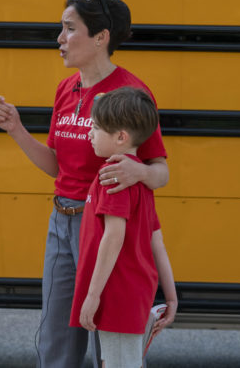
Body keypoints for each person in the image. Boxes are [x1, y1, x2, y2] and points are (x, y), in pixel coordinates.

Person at [0, 0, 169, 368]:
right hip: (62, 221)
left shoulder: (131, 94)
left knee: (107, 338)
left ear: (101, 37)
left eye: (70, 29)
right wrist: (18, 131)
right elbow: (59, 167)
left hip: (106, 227)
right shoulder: (66, 90)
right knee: (56, 339)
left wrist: (140, 171)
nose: (60, 38)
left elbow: (161, 172)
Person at [69, 87, 178, 368]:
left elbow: (113, 237)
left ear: (120, 137)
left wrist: (92, 296)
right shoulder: (139, 178)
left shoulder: (112, 178)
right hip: (136, 292)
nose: (89, 134)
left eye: (95, 127)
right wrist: (172, 296)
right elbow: (158, 242)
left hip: (116, 295)